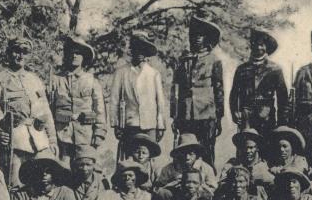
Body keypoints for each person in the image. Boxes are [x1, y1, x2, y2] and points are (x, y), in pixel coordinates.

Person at [0, 37, 57, 187]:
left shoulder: (34, 80)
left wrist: (52, 140)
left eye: (25, 52)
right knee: (15, 185)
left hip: (39, 142)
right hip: (14, 142)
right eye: (16, 51)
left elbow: (45, 112)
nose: (20, 56)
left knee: (41, 185)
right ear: (8, 53)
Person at [172, 15, 224, 167]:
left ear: (206, 38)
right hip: (186, 114)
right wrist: (175, 116)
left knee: (207, 150)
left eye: (200, 35)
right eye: (194, 35)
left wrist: (219, 117)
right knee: (185, 150)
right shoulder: (183, 60)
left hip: (207, 114)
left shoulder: (214, 61)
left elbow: (219, 90)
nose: (196, 39)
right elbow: (175, 90)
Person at [49, 35, 106, 163]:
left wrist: (99, 134)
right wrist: (51, 136)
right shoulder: (56, 80)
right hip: (62, 136)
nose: (74, 56)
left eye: (78, 53)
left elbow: (100, 110)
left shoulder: (91, 81)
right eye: (72, 52)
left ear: (84, 57)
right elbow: (49, 110)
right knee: (63, 169)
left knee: (85, 168)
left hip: (86, 136)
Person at [110, 32, 166, 161]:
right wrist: (116, 124)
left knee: (147, 158)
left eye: (144, 49)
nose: (140, 53)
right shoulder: (121, 72)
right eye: (137, 48)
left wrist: (161, 125)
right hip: (129, 124)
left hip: (149, 124)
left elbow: (160, 102)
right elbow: (114, 100)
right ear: (132, 50)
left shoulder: (153, 74)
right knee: (130, 157)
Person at [229, 28, 288, 137]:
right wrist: (234, 112)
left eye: (262, 44)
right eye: (255, 43)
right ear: (251, 46)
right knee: (246, 148)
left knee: (267, 148)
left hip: (267, 117)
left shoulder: (275, 69)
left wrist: (282, 122)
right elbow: (234, 93)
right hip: (246, 117)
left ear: (267, 47)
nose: (258, 47)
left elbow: (283, 98)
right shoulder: (242, 69)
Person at [155, 133, 217, 200]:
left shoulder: (206, 168)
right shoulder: (170, 168)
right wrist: (174, 184)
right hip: (175, 199)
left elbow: (213, 188)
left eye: (191, 154)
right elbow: (159, 186)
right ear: (179, 154)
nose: (187, 157)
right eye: (184, 153)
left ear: (196, 154)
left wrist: (198, 187)